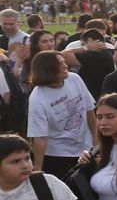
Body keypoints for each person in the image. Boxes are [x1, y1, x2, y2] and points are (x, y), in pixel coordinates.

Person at [25, 50, 95, 180]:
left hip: (86, 148)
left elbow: (89, 110)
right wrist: (38, 169)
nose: (65, 66)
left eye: (64, 62)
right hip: (58, 155)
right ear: (48, 69)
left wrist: (96, 139)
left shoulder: (74, 79)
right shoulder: (38, 98)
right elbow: (40, 137)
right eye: (60, 64)